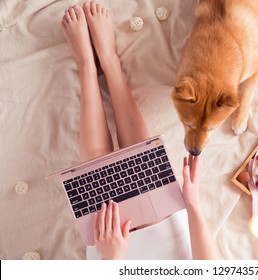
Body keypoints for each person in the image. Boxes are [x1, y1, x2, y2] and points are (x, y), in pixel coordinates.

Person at [61, 1, 220, 260]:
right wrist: (192, 203)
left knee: (99, 186)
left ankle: (87, 65)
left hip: (116, 257)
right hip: (172, 244)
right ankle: (110, 61)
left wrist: (111, 258)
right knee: (144, 171)